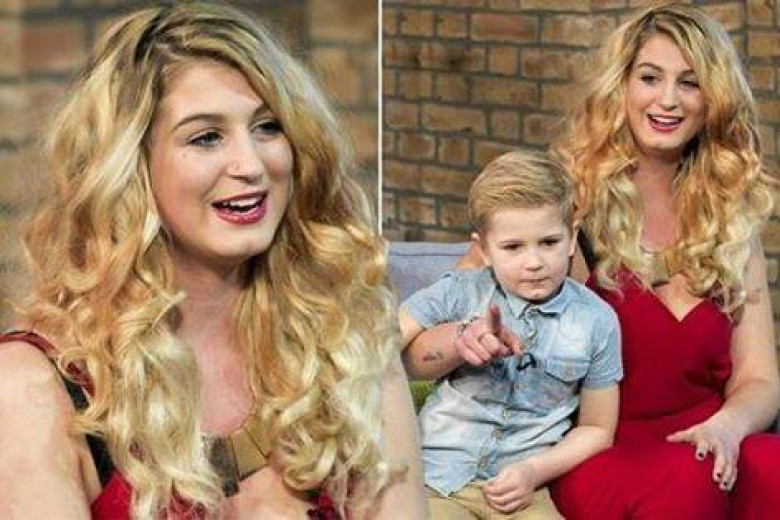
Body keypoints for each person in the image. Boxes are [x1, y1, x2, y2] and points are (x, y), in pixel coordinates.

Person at [0, 3, 426, 519]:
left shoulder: (350, 339)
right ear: (129, 165)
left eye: (268, 127)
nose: (251, 165)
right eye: (206, 137)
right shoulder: (31, 387)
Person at [413, 3, 780, 518]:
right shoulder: (566, 201)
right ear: (621, 86)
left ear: (713, 100)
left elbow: (760, 380)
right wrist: (463, 338)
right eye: (650, 78)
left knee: (772, 467)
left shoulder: (731, 218)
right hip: (596, 447)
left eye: (690, 83)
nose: (668, 100)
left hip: (708, 434)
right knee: (686, 485)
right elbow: (422, 343)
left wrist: (728, 427)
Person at [399, 151, 623, 519]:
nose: (534, 262)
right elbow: (384, 341)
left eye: (549, 242)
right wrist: (458, 338)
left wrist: (533, 472)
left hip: (524, 490)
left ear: (572, 239)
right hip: (438, 480)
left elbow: (598, 428)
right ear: (484, 249)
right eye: (513, 247)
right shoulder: (460, 291)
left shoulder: (598, 321)